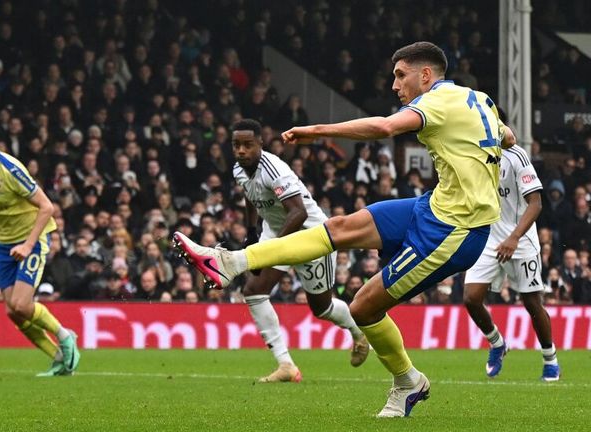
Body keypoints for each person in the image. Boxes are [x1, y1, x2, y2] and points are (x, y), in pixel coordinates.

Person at [173, 41, 515, 417]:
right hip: (433, 206)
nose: (395, 85)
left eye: (401, 76)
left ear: (426, 75)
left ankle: (408, 382)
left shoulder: (435, 102)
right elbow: (508, 138)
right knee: (338, 226)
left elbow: (385, 127)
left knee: (364, 307)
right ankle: (230, 261)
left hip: (456, 229)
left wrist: (317, 130)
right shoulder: (477, 99)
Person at [229, 119, 369, 383]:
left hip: (311, 235)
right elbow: (250, 195)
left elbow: (298, 212)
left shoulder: (274, 170)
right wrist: (251, 232)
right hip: (277, 231)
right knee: (253, 290)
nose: (241, 151)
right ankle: (286, 366)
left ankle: (358, 332)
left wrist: (271, 248)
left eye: (247, 145)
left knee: (322, 308)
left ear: (261, 143)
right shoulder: (239, 169)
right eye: (236, 145)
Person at [0, 117, 80, 377]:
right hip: (3, 243)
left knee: (22, 304)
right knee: (12, 311)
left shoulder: (10, 168)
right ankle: (58, 358)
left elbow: (47, 207)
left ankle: (65, 336)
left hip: (31, 238)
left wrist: (28, 244)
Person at [463, 144, 560, 381]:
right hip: (488, 239)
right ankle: (497, 343)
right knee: (471, 298)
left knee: (531, 303)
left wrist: (514, 238)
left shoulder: (516, 155)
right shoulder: (473, 151)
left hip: (521, 240)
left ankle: (550, 359)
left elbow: (535, 203)